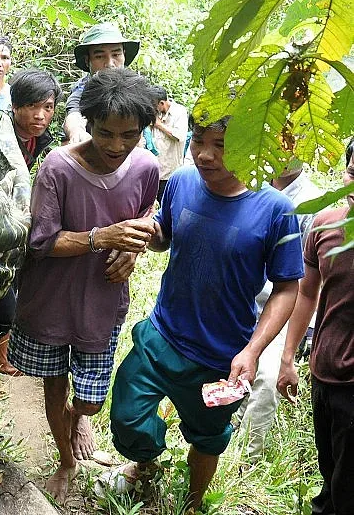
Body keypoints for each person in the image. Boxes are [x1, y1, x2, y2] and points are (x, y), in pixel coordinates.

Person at [107, 117, 303, 512]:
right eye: (198, 140)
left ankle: (193, 504)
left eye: (222, 145)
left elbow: (287, 288)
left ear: (249, 144)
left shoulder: (276, 210)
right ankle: (145, 465)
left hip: (221, 356)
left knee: (208, 438)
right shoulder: (181, 180)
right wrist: (145, 234)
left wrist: (252, 351)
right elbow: (166, 232)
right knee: (127, 418)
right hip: (162, 334)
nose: (204, 154)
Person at [7, 67, 160, 502]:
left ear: (141, 131)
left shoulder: (146, 166)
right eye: (105, 133)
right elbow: (39, 242)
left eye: (128, 135)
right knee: (53, 382)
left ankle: (78, 419)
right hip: (50, 299)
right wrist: (101, 237)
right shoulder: (57, 167)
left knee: (91, 400)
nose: (116, 145)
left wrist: (133, 245)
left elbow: (147, 211)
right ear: (87, 124)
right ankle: (66, 462)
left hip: (103, 301)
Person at [278, 139, 354, 515]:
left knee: (346, 485)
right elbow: (306, 293)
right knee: (330, 471)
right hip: (323, 373)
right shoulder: (325, 225)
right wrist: (288, 358)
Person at [0, 68, 62, 378]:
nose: (40, 115)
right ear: (15, 106)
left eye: (47, 107)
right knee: (5, 303)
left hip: (16, 226)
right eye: (32, 106)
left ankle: (3, 358)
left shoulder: (38, 141)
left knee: (15, 295)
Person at [234, 160, 321, 460]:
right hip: (240, 296)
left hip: (281, 306)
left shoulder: (312, 203)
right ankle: (219, 442)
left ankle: (245, 461)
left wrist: (290, 350)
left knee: (267, 381)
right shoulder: (247, 182)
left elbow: (308, 284)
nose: (284, 150)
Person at [62, 22, 140, 144]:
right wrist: (77, 132)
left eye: (116, 54)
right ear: (88, 61)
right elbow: (75, 114)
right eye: (99, 56)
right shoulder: (83, 88)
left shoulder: (135, 86)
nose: (109, 63)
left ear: (124, 55)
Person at [149, 85, 189, 201]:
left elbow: (179, 136)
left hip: (170, 173)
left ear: (162, 103)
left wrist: (159, 125)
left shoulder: (179, 112)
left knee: (167, 203)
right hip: (155, 171)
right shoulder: (156, 113)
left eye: (154, 105)